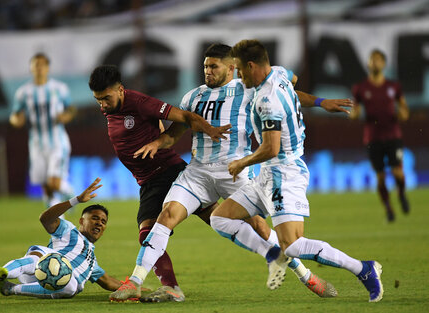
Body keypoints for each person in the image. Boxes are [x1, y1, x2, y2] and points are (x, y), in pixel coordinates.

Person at [110, 43, 355, 302]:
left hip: (234, 171)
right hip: (198, 173)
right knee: (166, 215)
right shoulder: (192, 97)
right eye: (205, 66)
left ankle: (306, 275)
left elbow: (290, 94)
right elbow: (174, 135)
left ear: (231, 68)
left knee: (260, 227)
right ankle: (135, 281)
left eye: (213, 66)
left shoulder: (248, 90)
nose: (207, 71)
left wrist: (320, 102)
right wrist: (156, 143)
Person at [203, 39, 384, 303]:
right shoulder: (278, 72)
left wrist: (241, 163)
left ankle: (362, 268)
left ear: (252, 66)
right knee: (220, 218)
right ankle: (271, 254)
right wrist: (320, 101)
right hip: (268, 174)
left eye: (240, 69)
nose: (238, 76)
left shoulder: (267, 100)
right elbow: (292, 85)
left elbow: (271, 148)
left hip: (283, 174)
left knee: (294, 245)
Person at [88, 65, 231, 302]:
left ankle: (274, 244)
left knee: (219, 222)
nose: (102, 104)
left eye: (105, 98)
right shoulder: (110, 108)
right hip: (148, 181)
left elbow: (184, 117)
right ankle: (171, 288)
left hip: (167, 172)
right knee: (220, 221)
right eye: (98, 100)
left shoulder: (139, 102)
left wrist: (210, 130)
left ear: (121, 90)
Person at [0, 178, 124, 298]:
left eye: (103, 221)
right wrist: (76, 200)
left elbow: (109, 282)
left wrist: (135, 287)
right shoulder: (69, 230)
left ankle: (10, 288)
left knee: (71, 287)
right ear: (81, 221)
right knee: (44, 255)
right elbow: (45, 219)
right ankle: (1, 272)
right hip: (38, 270)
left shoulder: (93, 263)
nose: (99, 222)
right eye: (95, 218)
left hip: (58, 285)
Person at [9, 52, 76, 208]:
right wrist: (16, 121)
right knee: (46, 187)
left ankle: (70, 192)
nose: (39, 68)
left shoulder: (59, 88)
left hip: (57, 142)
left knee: (54, 182)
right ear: (31, 68)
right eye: (35, 65)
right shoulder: (23, 92)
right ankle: (58, 226)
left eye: (42, 65)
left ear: (47, 68)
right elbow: (14, 115)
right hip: (36, 144)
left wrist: (66, 116)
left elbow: (71, 109)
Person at [350, 49, 410, 222]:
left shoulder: (394, 86)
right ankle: (389, 209)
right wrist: (352, 115)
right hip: (373, 137)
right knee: (381, 177)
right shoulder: (361, 88)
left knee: (398, 173)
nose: (375, 63)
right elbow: (356, 111)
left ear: (384, 64)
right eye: (372, 59)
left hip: (393, 135)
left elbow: (404, 108)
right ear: (368, 64)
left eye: (378, 59)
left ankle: (401, 193)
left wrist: (403, 114)